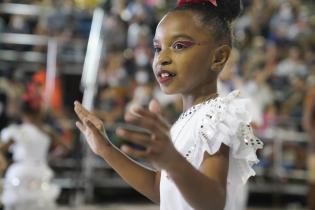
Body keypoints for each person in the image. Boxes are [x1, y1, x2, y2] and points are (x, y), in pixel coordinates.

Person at [74, 0, 263, 209]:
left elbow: (214, 201)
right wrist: (107, 150)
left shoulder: (217, 115)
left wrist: (173, 162)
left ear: (218, 57)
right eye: (157, 48)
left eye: (179, 46)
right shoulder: (187, 119)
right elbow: (159, 188)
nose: (162, 58)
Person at [0, 83, 60, 210]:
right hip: (40, 171)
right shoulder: (46, 131)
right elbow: (66, 147)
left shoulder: (16, 132)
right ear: (40, 112)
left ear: (21, 111)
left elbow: (2, 148)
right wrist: (51, 156)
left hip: (19, 171)